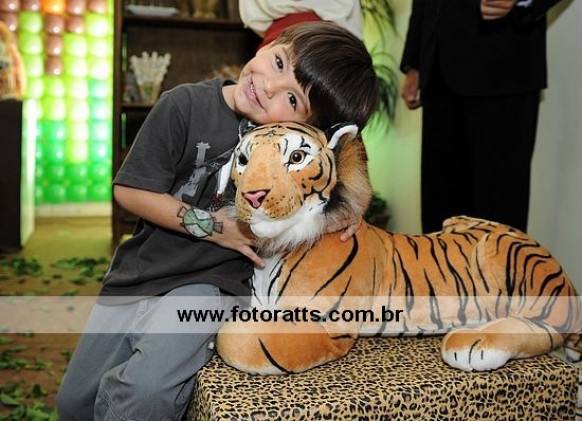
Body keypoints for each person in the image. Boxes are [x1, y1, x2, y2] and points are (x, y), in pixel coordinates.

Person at [56, 21, 379, 420]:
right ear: (270, 44)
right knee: (73, 404)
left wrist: (351, 213)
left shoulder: (295, 149)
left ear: (311, 128)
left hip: (212, 285)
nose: (269, 86)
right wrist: (215, 229)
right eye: (279, 63)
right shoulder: (183, 105)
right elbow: (130, 191)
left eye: (293, 99)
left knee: (145, 393)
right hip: (140, 273)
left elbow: (343, 174)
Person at [400, 0, 563, 233]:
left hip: (503, 67)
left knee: (498, 220)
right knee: (441, 221)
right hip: (438, 72)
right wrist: (414, 62)